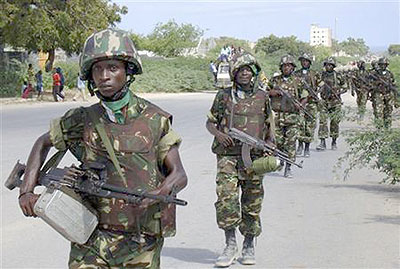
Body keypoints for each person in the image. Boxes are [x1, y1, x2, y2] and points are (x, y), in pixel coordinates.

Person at [18, 28, 188, 268]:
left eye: (112, 68)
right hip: (89, 234)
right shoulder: (82, 119)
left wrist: (162, 192)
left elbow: (179, 174)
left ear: (128, 71)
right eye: (97, 69)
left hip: (140, 240)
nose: (104, 76)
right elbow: (43, 143)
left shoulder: (154, 119)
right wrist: (26, 191)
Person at [206, 53, 278, 267]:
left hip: (253, 158)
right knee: (226, 199)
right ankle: (230, 244)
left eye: (249, 69)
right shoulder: (224, 96)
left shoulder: (262, 97)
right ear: (234, 73)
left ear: (254, 72)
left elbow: (269, 125)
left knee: (252, 201)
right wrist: (219, 134)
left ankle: (248, 244)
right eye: (241, 69)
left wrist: (270, 145)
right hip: (227, 156)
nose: (245, 73)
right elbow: (210, 122)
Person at [268, 55, 308, 178]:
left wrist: (300, 105)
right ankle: (280, 162)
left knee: (290, 143)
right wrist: (273, 92)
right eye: (284, 66)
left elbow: (305, 96)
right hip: (276, 117)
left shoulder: (298, 81)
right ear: (281, 67)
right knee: (278, 142)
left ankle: (288, 167)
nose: (286, 68)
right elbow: (264, 93)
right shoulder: (274, 80)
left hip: (292, 117)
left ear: (293, 67)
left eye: (289, 66)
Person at [316, 57, 347, 151]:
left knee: (335, 122)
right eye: (326, 65)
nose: (328, 66)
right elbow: (316, 85)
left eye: (330, 65)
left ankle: (334, 141)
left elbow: (345, 87)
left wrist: (338, 92)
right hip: (324, 101)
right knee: (323, 122)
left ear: (333, 66)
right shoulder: (321, 76)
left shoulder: (338, 76)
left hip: (335, 102)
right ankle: (322, 142)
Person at [294, 53, 319, 157]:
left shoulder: (315, 74)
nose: (304, 62)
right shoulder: (296, 74)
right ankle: (300, 145)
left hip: (311, 103)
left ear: (309, 62)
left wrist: (315, 93)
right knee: (299, 124)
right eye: (303, 61)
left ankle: (307, 147)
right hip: (299, 103)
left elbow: (321, 85)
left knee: (309, 126)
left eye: (306, 61)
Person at [368, 57, 399, 128]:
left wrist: (396, 99)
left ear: (386, 65)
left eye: (384, 64)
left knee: (388, 111)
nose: (383, 66)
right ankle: (379, 127)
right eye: (381, 64)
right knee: (378, 112)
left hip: (388, 94)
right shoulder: (374, 73)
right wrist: (376, 84)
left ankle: (387, 127)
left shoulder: (390, 74)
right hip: (378, 94)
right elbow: (369, 84)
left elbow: (394, 85)